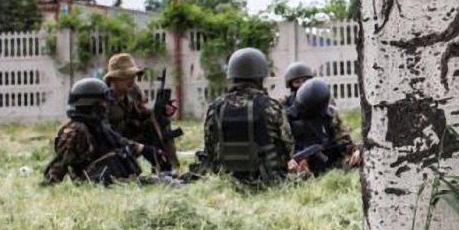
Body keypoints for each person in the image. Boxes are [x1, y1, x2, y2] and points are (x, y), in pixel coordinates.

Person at [200, 47, 293, 186]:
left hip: (226, 182)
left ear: (232, 76)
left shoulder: (215, 107)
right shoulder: (272, 106)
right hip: (267, 182)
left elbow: (209, 147)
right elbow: (289, 145)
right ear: (260, 77)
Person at [43, 78, 161, 185]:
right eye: (104, 102)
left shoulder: (98, 126)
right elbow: (59, 164)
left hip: (107, 179)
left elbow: (119, 142)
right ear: (92, 104)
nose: (107, 106)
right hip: (91, 182)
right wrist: (48, 185)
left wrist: (145, 150)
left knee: (159, 181)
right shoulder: (76, 131)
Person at [103, 53, 180, 172]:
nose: (132, 80)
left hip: (130, 139)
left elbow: (141, 113)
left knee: (158, 121)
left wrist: (160, 111)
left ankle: (168, 166)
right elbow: (103, 134)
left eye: (133, 75)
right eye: (126, 76)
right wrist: (140, 148)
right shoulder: (102, 97)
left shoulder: (133, 91)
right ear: (114, 78)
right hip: (110, 146)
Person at [286, 77, 360, 174]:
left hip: (329, 163)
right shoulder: (288, 118)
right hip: (301, 165)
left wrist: (355, 152)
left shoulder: (329, 116)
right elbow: (284, 149)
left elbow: (344, 142)